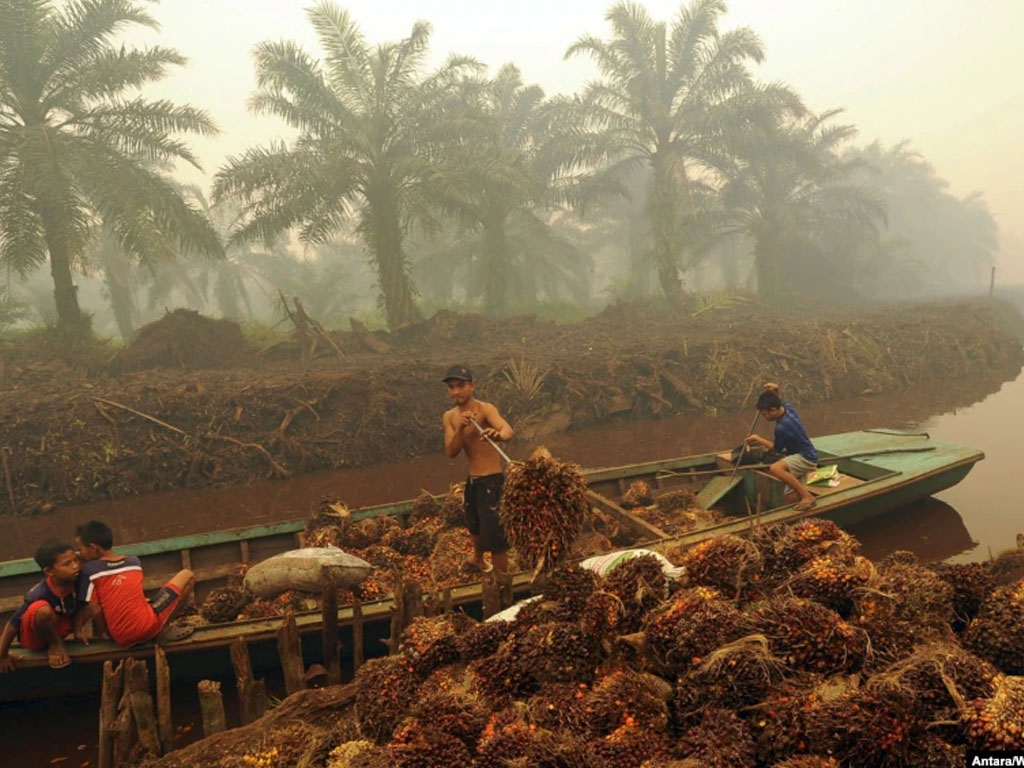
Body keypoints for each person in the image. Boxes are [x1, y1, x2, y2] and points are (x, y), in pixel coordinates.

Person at [73, 520, 196, 646]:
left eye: (79, 549)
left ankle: (158, 629)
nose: (78, 554)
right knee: (188, 575)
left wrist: (106, 634)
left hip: (121, 638)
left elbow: (96, 610)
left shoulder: (89, 571)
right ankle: (163, 629)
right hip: (149, 627)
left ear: (93, 548)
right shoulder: (133, 562)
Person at [442, 364, 515, 573]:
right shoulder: (449, 417)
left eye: (461, 386)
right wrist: (461, 428)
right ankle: (478, 559)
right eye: (452, 387)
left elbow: (508, 431)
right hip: (473, 480)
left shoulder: (485, 409)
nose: (456, 391)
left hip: (491, 480)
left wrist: (497, 435)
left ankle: (501, 579)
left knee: (496, 539)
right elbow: (451, 452)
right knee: (474, 525)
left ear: (472, 386)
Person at [0, 540, 81, 670]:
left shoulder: (78, 579)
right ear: (49, 571)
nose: (75, 566)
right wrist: (2, 656)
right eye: (67, 564)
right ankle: (55, 645)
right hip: (37, 636)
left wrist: (78, 630)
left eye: (76, 560)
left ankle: (98, 641)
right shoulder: (40, 593)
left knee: (94, 602)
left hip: (60, 626)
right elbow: (11, 625)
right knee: (42, 610)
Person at [745, 383, 819, 511]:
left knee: (776, 468)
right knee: (789, 496)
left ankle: (808, 496)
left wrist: (758, 439)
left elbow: (776, 449)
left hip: (805, 457)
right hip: (797, 455)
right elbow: (778, 401)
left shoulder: (783, 427)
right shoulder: (787, 408)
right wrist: (775, 391)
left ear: (773, 410)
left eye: (764, 414)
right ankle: (798, 517)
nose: (764, 417)